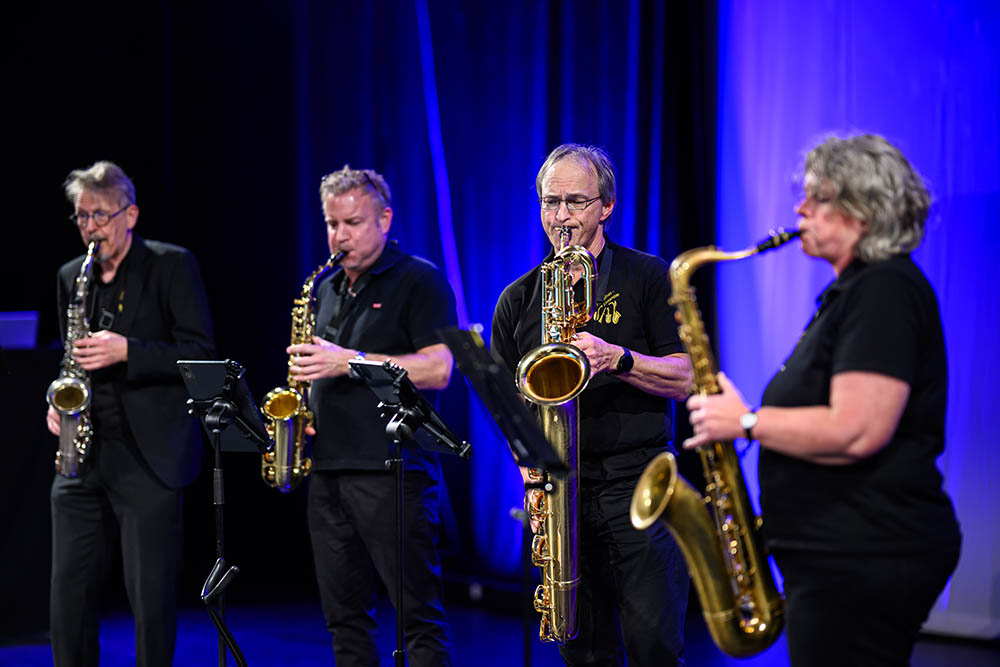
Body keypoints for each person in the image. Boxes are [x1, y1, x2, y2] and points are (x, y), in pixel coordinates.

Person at [685, 134, 962, 666]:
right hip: (841, 554)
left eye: (817, 197)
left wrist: (744, 421)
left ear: (863, 210)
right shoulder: (857, 291)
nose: (799, 209)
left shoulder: (884, 289)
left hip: (868, 554)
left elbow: (858, 429)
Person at [491, 144, 694, 666]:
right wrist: (534, 490)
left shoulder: (649, 276)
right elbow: (514, 419)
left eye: (576, 202)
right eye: (550, 202)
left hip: (640, 485)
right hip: (564, 495)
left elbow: (690, 378)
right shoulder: (517, 299)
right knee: (583, 653)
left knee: (656, 650)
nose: (561, 218)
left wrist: (618, 359)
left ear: (606, 206)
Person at [45, 160, 215, 666]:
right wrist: (56, 399)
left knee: (151, 600)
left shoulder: (172, 265)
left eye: (100, 215)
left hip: (150, 457)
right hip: (84, 454)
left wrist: (129, 352)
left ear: (131, 213)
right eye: (81, 217)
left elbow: (202, 357)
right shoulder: (71, 276)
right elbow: (70, 356)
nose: (90, 228)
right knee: (67, 595)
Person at [287, 165, 456, 666]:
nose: (339, 236)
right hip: (329, 470)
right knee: (344, 619)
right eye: (332, 224)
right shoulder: (327, 287)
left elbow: (439, 369)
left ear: (384, 219)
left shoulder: (420, 280)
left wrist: (350, 361)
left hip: (394, 473)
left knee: (417, 617)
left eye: (353, 223)